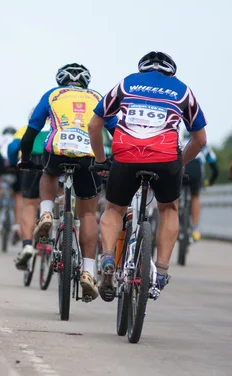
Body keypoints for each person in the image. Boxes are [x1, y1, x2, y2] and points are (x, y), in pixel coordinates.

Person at [88, 51, 208, 301]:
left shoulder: (126, 83)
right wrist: (179, 164)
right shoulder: (183, 91)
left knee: (113, 209)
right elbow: (200, 140)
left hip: (125, 156)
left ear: (142, 69)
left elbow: (95, 124)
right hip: (165, 159)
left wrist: (101, 161)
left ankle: (109, 257)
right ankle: (161, 271)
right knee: (169, 209)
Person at [18, 63, 118, 300]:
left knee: (49, 174)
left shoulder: (53, 94)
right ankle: (87, 271)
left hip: (58, 148)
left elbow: (32, 129)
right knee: (87, 215)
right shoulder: (98, 97)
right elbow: (116, 130)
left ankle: (46, 214)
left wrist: (24, 159)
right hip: (88, 154)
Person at [8, 124, 49, 269]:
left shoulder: (27, 128)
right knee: (57, 198)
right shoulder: (60, 123)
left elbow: (12, 148)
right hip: (54, 158)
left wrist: (14, 163)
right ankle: (58, 232)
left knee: (30, 205)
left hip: (34, 159)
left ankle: (27, 246)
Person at [181, 131, 219, 241]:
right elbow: (215, 169)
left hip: (182, 168)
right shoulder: (204, 146)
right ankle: (195, 228)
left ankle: (175, 219)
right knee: (195, 196)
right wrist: (210, 181)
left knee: (175, 194)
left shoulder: (180, 142)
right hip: (196, 170)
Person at [0, 126, 22, 244]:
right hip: (17, 166)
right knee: (18, 195)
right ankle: (17, 225)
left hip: (2, 165)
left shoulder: (1, 140)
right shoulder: (19, 133)